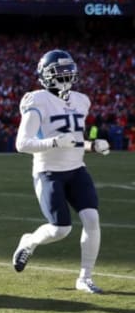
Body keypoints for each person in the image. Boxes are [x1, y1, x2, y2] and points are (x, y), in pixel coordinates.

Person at [12, 49, 110, 294]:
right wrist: (54, 143)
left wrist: (92, 145)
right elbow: (22, 144)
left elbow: (74, 140)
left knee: (92, 220)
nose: (65, 78)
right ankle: (30, 241)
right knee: (60, 229)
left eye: (68, 72)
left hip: (77, 169)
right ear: (45, 76)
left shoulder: (81, 100)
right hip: (49, 171)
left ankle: (85, 278)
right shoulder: (37, 100)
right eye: (59, 73)